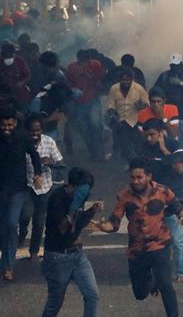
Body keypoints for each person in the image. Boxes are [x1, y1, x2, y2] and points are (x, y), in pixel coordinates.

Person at [95, 158, 183, 317]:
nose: (136, 181)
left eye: (139, 177)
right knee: (140, 293)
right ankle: (153, 281)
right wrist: (105, 227)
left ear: (149, 176)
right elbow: (115, 221)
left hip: (160, 244)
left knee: (166, 285)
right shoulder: (124, 196)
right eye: (132, 178)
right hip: (137, 250)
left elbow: (177, 206)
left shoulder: (162, 191)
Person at [41, 167, 101, 317]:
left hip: (77, 255)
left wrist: (91, 210)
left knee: (92, 295)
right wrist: (75, 206)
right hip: (58, 257)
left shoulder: (79, 197)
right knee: (55, 303)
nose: (85, 194)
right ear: (72, 186)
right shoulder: (58, 198)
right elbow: (62, 228)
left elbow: (77, 223)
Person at [0, 107, 42, 281]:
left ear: (15, 123)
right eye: (3, 125)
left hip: (18, 189)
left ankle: (8, 265)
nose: (6, 128)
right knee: (4, 227)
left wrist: (37, 174)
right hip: (1, 189)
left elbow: (34, 156)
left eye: (10, 125)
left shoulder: (23, 137)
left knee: (11, 224)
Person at [18, 114, 63, 262]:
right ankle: (22, 232)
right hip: (27, 186)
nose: (34, 134)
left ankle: (33, 251)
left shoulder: (49, 142)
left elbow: (62, 164)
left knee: (39, 221)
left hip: (44, 188)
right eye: (32, 131)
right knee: (25, 215)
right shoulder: (21, 143)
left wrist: (51, 163)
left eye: (37, 130)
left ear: (42, 130)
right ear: (27, 130)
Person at [154, 53, 183, 177]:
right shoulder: (164, 77)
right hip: (169, 116)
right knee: (171, 141)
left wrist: (180, 83)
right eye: (173, 66)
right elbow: (155, 92)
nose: (175, 68)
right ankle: (173, 166)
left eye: (177, 66)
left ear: (181, 65)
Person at [66, 49, 105, 161]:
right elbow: (70, 82)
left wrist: (88, 75)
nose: (84, 63)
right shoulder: (72, 67)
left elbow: (100, 81)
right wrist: (74, 90)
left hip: (93, 99)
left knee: (96, 125)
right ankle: (92, 152)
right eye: (81, 61)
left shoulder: (95, 65)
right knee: (83, 129)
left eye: (86, 61)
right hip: (79, 102)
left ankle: (100, 154)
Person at [106, 68, 149, 165]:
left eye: (127, 80)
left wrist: (141, 107)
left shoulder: (139, 89)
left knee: (138, 145)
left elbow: (147, 105)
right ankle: (134, 164)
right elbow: (110, 105)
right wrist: (113, 114)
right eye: (123, 80)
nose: (125, 82)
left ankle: (140, 164)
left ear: (132, 79)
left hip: (136, 121)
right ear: (120, 79)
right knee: (125, 146)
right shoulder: (114, 89)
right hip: (121, 121)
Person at [159, 152, 183, 284]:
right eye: (181, 163)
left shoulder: (178, 175)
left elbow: (178, 201)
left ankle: (181, 272)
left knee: (178, 241)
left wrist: (182, 215)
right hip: (159, 210)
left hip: (174, 210)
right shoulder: (163, 174)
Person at [0, 42, 32, 111]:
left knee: (23, 116)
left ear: (13, 54)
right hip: (4, 98)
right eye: (6, 55)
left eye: (10, 55)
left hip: (21, 96)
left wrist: (21, 83)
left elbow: (28, 76)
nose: (8, 57)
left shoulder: (20, 61)